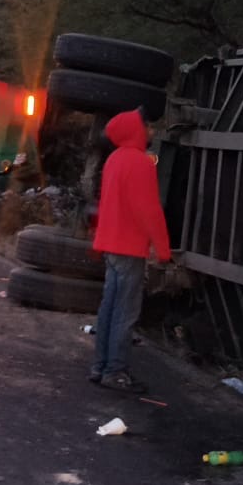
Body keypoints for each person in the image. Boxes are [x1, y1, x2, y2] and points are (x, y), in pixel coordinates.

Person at [89, 109, 171, 393]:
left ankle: (100, 366)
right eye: (147, 127)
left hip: (111, 246)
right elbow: (149, 210)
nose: (151, 131)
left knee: (108, 308)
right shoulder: (141, 163)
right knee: (126, 312)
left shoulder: (113, 160)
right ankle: (116, 372)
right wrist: (163, 249)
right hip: (129, 248)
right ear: (135, 131)